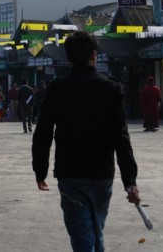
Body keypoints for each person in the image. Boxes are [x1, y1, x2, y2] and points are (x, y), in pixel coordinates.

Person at [32, 31, 141, 252]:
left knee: (84, 237)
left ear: (68, 58)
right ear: (94, 55)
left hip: (70, 174)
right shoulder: (111, 88)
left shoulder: (57, 88)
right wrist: (130, 181)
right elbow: (121, 136)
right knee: (95, 232)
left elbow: (43, 132)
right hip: (102, 174)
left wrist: (40, 171)